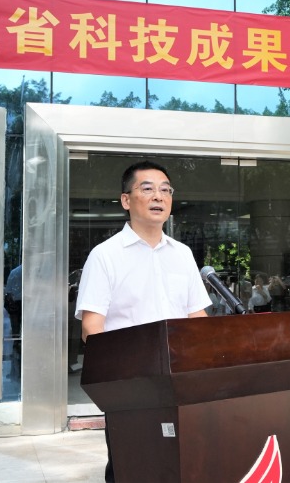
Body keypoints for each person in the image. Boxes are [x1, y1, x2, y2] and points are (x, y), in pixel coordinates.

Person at [74, 160, 210, 483]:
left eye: (165, 190)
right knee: (131, 468)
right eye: (147, 189)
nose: (158, 196)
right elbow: (91, 328)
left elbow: (199, 320)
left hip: (182, 383)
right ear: (126, 200)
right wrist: (120, 382)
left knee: (183, 466)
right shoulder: (105, 256)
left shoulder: (182, 254)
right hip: (131, 386)